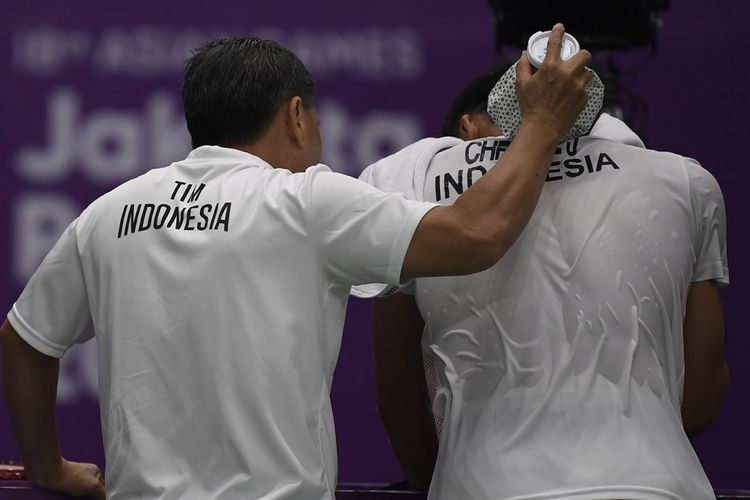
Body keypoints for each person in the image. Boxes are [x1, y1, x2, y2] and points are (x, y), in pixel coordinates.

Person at [0, 26, 591, 500]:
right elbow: (478, 233)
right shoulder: (306, 200)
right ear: (296, 116)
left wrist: (49, 468)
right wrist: (540, 124)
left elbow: (24, 339)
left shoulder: (109, 212)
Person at [364, 67, 730, 499]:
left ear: (468, 127)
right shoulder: (687, 182)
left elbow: (398, 397)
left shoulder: (414, 188)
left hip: (484, 487)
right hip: (656, 485)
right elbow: (701, 399)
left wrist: (440, 485)